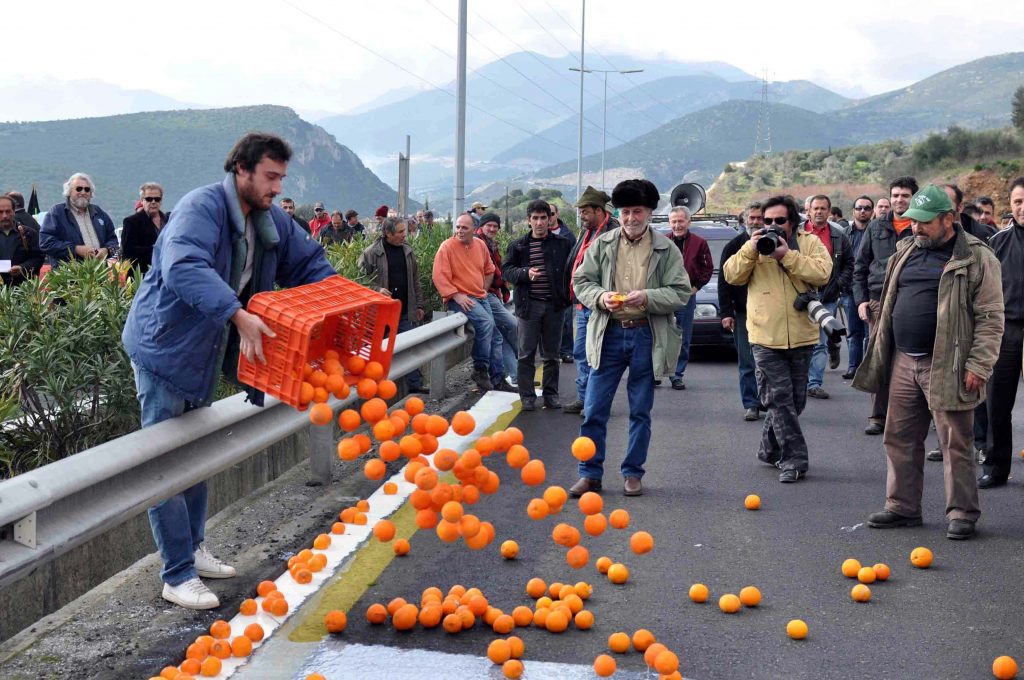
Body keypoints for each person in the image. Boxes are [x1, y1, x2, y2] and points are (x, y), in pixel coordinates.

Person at [121, 132, 336, 609]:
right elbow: (184, 266)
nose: (277, 187)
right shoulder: (202, 208)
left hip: (202, 350)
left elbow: (307, 263)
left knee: (194, 455)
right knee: (167, 465)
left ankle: (193, 549)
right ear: (241, 169)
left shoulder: (267, 218)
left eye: (281, 178)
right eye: (270, 177)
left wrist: (340, 301)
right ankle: (175, 574)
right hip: (164, 349)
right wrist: (237, 314)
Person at [855, 185, 1003, 540]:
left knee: (956, 442)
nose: (915, 228)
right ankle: (902, 507)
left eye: (924, 222)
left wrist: (979, 365)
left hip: (948, 363)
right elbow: (891, 296)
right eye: (912, 221)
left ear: (948, 219)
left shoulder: (978, 257)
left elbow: (990, 317)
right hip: (904, 360)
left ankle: (962, 512)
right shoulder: (905, 249)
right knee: (899, 437)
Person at [570, 179, 690, 497]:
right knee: (594, 408)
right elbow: (581, 280)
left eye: (637, 211)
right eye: (625, 212)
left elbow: (680, 292)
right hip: (608, 334)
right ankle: (589, 474)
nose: (630, 218)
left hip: (645, 336)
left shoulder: (666, 249)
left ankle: (633, 473)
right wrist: (601, 297)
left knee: (640, 410)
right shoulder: (603, 244)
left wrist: (647, 297)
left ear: (650, 213)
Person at [723, 194, 832, 483]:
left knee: (794, 402)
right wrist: (751, 249)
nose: (772, 225)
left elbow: (823, 273)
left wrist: (787, 255)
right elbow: (731, 276)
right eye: (766, 220)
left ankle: (768, 449)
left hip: (802, 336)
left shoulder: (808, 242)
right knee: (779, 399)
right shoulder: (751, 246)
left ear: (793, 221)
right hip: (764, 337)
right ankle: (794, 460)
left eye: (779, 220)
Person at [852, 177, 918, 435]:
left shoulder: (920, 226)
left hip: (910, 300)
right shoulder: (876, 226)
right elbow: (860, 266)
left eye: (905, 195)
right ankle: (877, 416)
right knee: (879, 357)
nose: (900, 199)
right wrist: (861, 301)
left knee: (913, 358)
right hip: (879, 301)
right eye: (896, 195)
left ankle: (911, 416)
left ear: (914, 197)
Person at [976, 177, 1024, 488]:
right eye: (1018, 202)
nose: (1023, 207)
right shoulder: (998, 243)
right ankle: (996, 466)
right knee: (998, 403)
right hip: (1006, 329)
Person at [503, 200, 572, 410]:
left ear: (550, 219)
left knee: (552, 354)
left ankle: (551, 395)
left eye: (544, 218)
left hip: (554, 306)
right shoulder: (518, 245)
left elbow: (572, 270)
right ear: (529, 220)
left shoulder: (562, 244)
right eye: (535, 218)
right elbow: (506, 270)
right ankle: (527, 397)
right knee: (526, 354)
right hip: (528, 306)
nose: (540, 222)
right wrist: (525, 273)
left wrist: (567, 297)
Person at [563, 186, 619, 415]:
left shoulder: (613, 232)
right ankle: (585, 398)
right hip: (582, 303)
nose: (581, 216)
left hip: (601, 304)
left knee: (598, 355)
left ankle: (595, 403)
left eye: (585, 212)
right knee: (581, 353)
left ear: (598, 211)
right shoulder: (585, 232)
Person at [432, 213, 502, 392]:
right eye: (457, 227)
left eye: (464, 228)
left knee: (495, 333)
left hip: (479, 296)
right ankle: (480, 369)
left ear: (474, 229)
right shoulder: (446, 247)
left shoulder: (480, 245)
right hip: (460, 298)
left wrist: (484, 290)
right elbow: (439, 276)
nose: (460, 231)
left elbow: (489, 269)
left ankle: (497, 377)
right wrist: (455, 295)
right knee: (486, 323)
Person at [359, 217, 428, 394]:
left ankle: (415, 383)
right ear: (388, 234)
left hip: (405, 309)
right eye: (400, 232)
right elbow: (359, 282)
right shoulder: (371, 253)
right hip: (380, 313)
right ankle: (372, 387)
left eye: (404, 231)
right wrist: (377, 290)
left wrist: (419, 305)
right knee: (376, 351)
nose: (404, 235)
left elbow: (415, 281)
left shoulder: (407, 251)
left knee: (408, 346)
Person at [804, 195, 854, 400]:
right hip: (801, 297)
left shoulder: (838, 234)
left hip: (828, 297)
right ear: (809, 211)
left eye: (823, 208)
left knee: (819, 342)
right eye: (815, 208)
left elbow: (850, 264)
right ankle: (799, 380)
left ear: (829, 211)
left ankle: (814, 384)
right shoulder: (797, 232)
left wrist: (838, 285)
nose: (819, 212)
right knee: (800, 341)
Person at [719, 202, 763, 420]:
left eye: (759, 218)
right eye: (751, 218)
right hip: (743, 313)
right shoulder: (733, 245)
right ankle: (751, 404)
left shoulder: (773, 244)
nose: (755, 222)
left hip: (769, 313)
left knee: (768, 362)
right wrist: (726, 313)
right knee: (747, 361)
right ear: (744, 220)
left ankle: (768, 401)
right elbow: (724, 282)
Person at [667, 205, 713, 390]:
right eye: (674, 221)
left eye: (680, 221)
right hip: (663, 296)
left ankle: (677, 375)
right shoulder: (662, 242)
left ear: (688, 222)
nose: (677, 225)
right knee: (660, 335)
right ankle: (657, 373)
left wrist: (695, 288)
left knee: (682, 338)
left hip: (686, 297)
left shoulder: (699, 242)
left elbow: (707, 268)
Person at [474, 212, 518, 392]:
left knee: (500, 337)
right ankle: (522, 367)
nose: (492, 229)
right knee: (512, 326)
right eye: (489, 225)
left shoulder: (491, 244)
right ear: (481, 226)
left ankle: (515, 374)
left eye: (495, 226)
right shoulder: (478, 243)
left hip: (493, 293)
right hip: (485, 295)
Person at [40, 172, 119, 266]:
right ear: (69, 192)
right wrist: (75, 249)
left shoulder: (99, 213)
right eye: (78, 189)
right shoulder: (57, 212)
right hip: (69, 275)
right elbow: (46, 242)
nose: (83, 192)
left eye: (87, 189)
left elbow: (112, 240)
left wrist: (106, 250)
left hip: (99, 274)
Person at [841, 196, 873, 379]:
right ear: (853, 211)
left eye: (867, 208)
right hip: (849, 290)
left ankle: (867, 370)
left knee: (870, 333)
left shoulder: (876, 231)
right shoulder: (845, 233)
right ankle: (853, 367)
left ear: (872, 211)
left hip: (870, 290)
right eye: (859, 208)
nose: (863, 211)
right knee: (854, 332)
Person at [547, 202, 577, 363]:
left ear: (557, 214)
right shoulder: (537, 234)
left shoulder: (567, 235)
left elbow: (574, 260)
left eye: (552, 213)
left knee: (565, 320)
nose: (549, 217)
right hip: (545, 286)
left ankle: (566, 351)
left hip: (563, 285)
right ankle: (550, 351)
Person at [121, 182, 169, 275]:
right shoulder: (131, 222)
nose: (153, 202)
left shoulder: (168, 221)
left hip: (166, 273)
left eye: (157, 199)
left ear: (161, 201)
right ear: (142, 200)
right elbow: (128, 250)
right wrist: (157, 250)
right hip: (142, 275)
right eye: (149, 199)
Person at [0, 195, 42, 285]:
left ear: (14, 212)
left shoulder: (29, 234)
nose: (4, 216)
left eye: (8, 211)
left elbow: (38, 258)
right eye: (0, 212)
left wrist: (22, 268)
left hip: (21, 288)